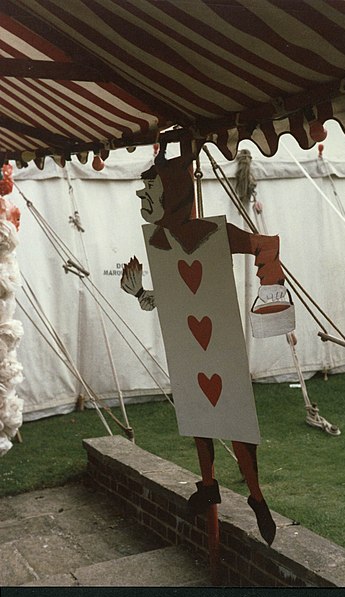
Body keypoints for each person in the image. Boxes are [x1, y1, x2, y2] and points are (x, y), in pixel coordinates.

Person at [121, 151, 292, 546]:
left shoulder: (213, 233)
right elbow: (172, 294)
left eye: (150, 188)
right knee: (199, 411)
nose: (142, 196)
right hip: (189, 343)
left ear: (174, 190)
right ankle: (209, 483)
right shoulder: (160, 243)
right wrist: (142, 293)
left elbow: (264, 245)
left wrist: (271, 284)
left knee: (233, 417)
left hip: (218, 343)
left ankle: (257, 496)